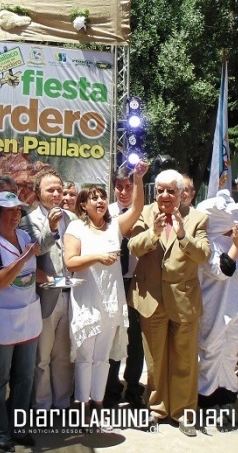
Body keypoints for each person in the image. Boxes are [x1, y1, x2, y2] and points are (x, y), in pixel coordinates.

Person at [128, 169, 210, 436]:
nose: (164, 195)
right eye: (160, 190)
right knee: (155, 360)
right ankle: (156, 409)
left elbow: (204, 255)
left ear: (181, 193)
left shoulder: (197, 218)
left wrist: (184, 236)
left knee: (185, 359)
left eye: (170, 191)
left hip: (184, 299)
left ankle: (184, 413)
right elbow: (134, 247)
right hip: (151, 298)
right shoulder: (145, 211)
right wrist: (153, 233)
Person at [63, 162, 147, 420]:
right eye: (93, 198)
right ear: (83, 205)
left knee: (102, 359)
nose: (100, 201)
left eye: (102, 197)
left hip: (111, 301)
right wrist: (97, 256)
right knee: (85, 357)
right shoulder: (76, 227)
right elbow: (70, 262)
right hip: (87, 300)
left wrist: (139, 178)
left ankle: (97, 406)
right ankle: (81, 407)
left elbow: (138, 207)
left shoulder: (115, 226)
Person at [0, 191, 40, 452]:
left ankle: (19, 426)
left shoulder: (24, 236)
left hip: (27, 315)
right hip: (1, 318)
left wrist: (56, 280)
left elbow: (32, 272)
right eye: (10, 210)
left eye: (18, 210)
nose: (16, 214)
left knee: (25, 376)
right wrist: (23, 257)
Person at [195, 190, 238, 419]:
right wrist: (236, 244)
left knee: (231, 353)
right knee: (212, 352)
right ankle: (206, 398)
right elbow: (221, 271)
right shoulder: (208, 242)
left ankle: (227, 396)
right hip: (215, 305)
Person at [20, 169, 77, 411]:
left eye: (59, 189)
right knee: (42, 357)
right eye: (50, 190)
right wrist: (51, 229)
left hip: (71, 295)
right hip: (44, 296)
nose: (56, 194)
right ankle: (42, 405)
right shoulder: (27, 221)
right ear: (37, 193)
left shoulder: (72, 219)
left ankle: (63, 403)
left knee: (64, 355)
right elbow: (35, 253)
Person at [103, 167, 146, 409]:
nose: (123, 191)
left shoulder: (145, 213)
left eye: (128, 186)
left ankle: (133, 388)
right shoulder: (106, 213)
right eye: (119, 186)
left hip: (137, 282)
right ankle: (110, 388)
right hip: (112, 282)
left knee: (135, 340)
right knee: (112, 336)